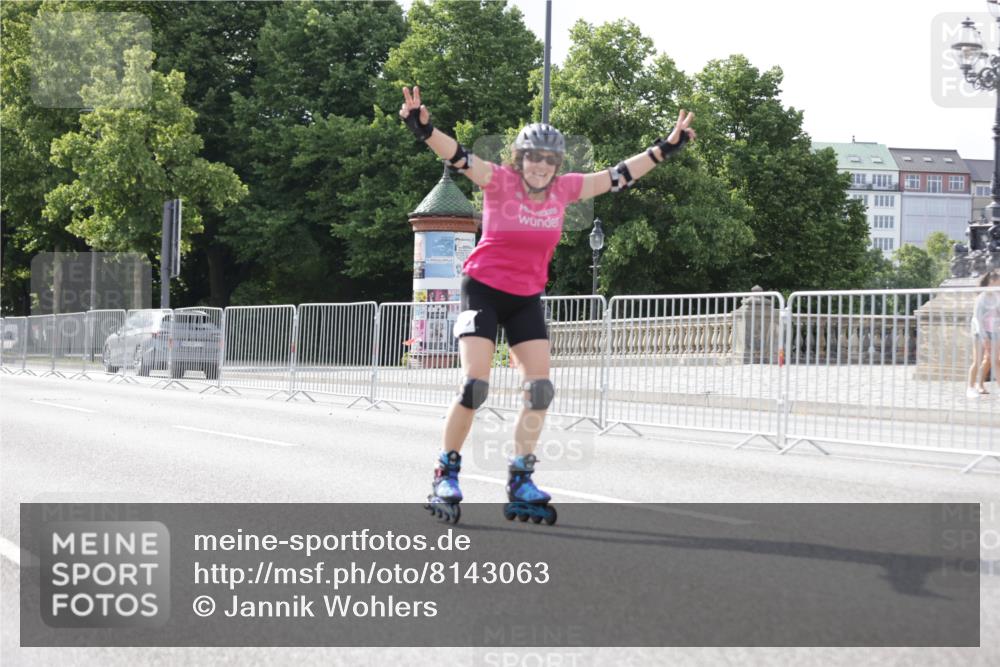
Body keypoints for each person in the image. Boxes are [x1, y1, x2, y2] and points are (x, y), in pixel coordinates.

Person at [401, 85, 695, 524]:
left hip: (526, 297)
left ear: (557, 165)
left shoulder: (565, 190)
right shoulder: (499, 181)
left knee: (540, 389)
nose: (540, 165)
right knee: (474, 386)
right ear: (520, 160)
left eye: (549, 159)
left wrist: (665, 148)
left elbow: (618, 175)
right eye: (533, 157)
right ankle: (446, 470)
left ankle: (520, 477)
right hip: (482, 288)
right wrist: (423, 127)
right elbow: (459, 155)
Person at [969, 269, 1000, 397]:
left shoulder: (997, 296)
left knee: (993, 360)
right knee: (979, 360)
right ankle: (971, 387)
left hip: (995, 331)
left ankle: (980, 384)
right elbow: (977, 319)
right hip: (980, 333)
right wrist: (984, 338)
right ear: (992, 282)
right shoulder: (981, 298)